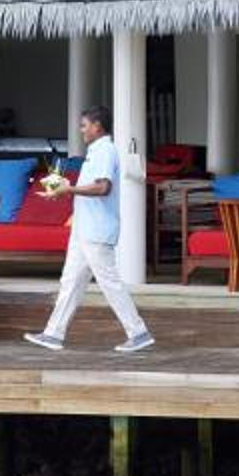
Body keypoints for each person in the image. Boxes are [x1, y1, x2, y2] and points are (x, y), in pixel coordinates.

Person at [23, 104, 154, 354]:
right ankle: (53, 334)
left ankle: (138, 332)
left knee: (109, 283)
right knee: (70, 282)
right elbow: (90, 188)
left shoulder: (105, 150)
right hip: (84, 230)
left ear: (97, 126)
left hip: (96, 231)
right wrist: (63, 190)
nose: (81, 130)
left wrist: (69, 189)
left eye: (84, 125)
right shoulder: (95, 152)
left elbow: (103, 187)